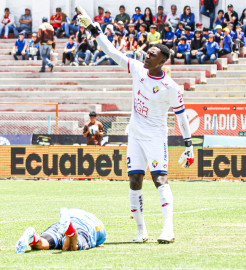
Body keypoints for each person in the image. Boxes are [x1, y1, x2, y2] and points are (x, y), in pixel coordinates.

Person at [76, 6, 195, 243]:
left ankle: (168, 230)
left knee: (160, 179)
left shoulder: (171, 87)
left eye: (152, 54)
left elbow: (182, 116)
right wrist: (93, 27)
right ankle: (141, 231)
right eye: (147, 52)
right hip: (135, 136)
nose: (147, 55)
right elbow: (111, 52)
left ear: (162, 61)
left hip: (155, 138)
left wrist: (189, 144)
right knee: (134, 180)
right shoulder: (137, 70)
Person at [15, 208, 106, 253]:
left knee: (44, 242)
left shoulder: (73, 211)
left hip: (60, 223)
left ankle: (33, 238)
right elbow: (100, 239)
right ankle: (69, 230)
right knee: (70, 247)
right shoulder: (100, 227)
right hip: (83, 226)